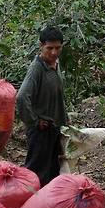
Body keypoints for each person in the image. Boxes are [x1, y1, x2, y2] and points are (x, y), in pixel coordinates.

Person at [16, 27, 69, 188]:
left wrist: (64, 116)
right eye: (49, 48)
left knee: (52, 170)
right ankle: (29, 206)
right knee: (36, 171)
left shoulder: (55, 64)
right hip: (41, 131)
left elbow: (57, 94)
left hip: (53, 128)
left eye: (58, 48)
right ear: (41, 46)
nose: (54, 52)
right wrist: (34, 120)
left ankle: (47, 206)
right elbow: (21, 96)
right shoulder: (37, 68)